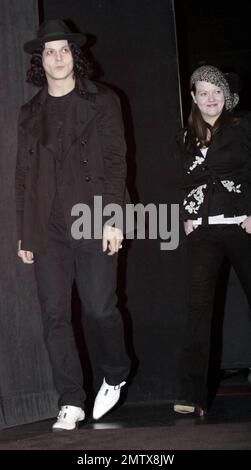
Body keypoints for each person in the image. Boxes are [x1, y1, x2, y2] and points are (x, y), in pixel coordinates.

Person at [15, 19, 130, 431]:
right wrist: (24, 233)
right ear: (39, 60)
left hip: (95, 218)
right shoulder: (30, 112)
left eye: (64, 49)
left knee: (99, 309)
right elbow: (23, 177)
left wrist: (115, 218)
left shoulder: (102, 100)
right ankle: (71, 400)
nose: (57, 57)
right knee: (54, 316)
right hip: (48, 228)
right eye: (49, 51)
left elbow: (117, 161)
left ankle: (115, 372)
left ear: (74, 55)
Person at [174, 65, 251, 415]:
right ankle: (194, 396)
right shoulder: (185, 137)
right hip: (203, 231)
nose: (210, 98)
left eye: (216, 91)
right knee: (198, 311)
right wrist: (185, 216)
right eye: (203, 91)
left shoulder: (242, 128)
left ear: (227, 96)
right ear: (193, 97)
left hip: (241, 226)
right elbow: (179, 178)